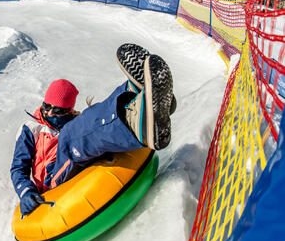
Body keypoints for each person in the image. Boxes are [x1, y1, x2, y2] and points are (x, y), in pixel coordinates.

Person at [10, 43, 176, 215]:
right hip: (52, 180)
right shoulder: (31, 129)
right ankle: (135, 123)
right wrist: (25, 191)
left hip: (80, 167)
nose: (50, 112)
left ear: (69, 110)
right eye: (47, 106)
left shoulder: (75, 123)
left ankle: (134, 93)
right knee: (70, 134)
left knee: (92, 115)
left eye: (58, 110)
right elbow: (18, 168)